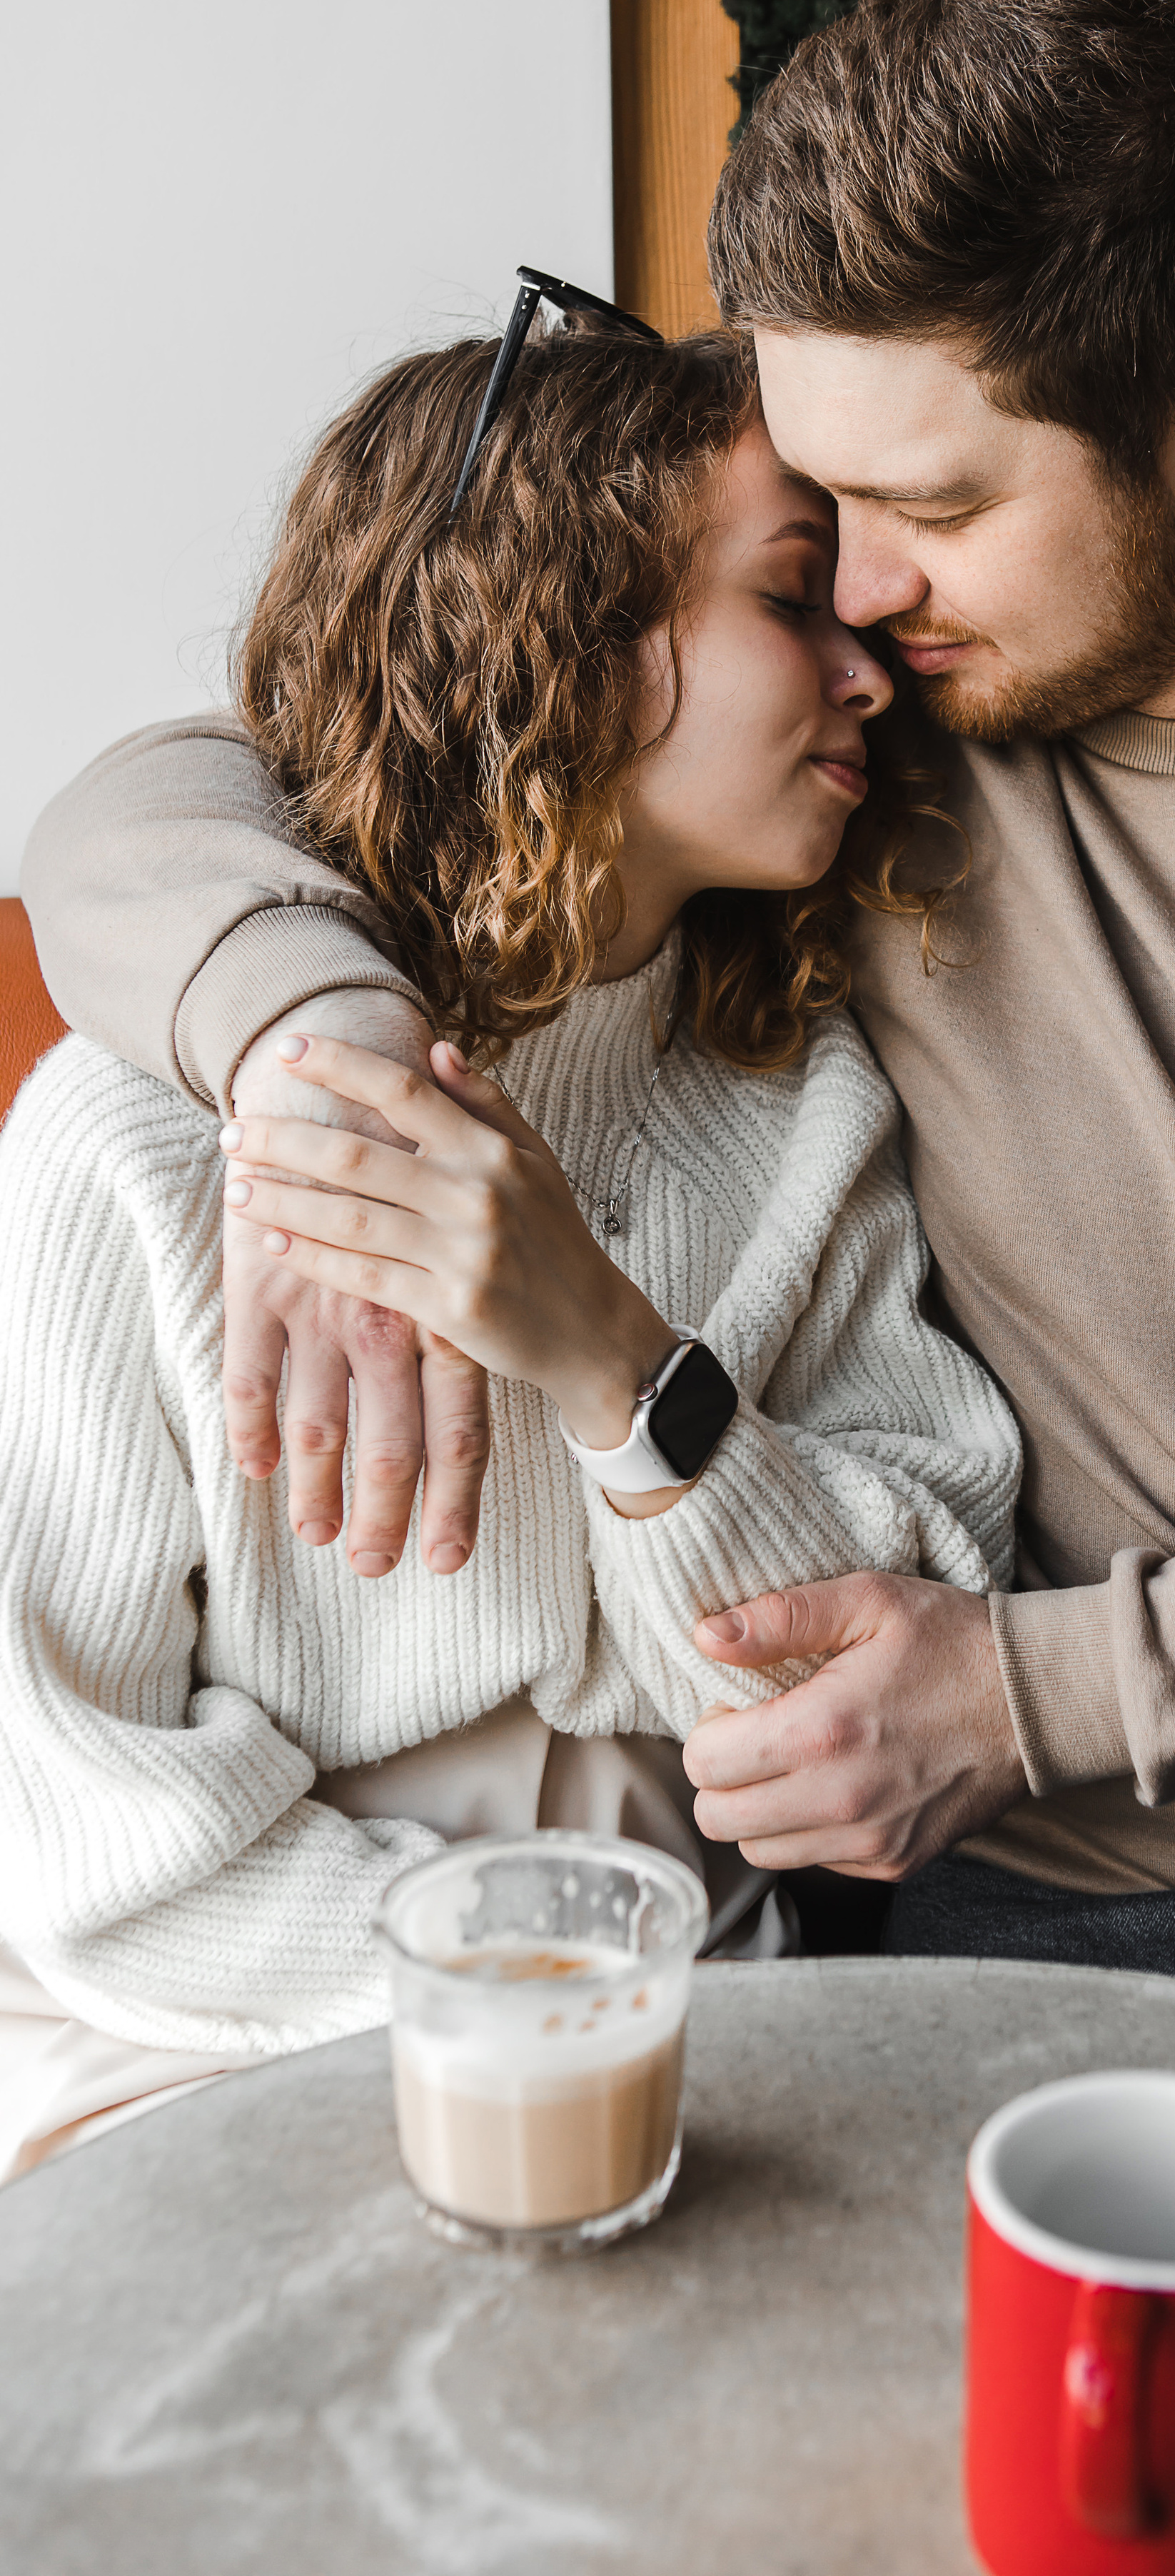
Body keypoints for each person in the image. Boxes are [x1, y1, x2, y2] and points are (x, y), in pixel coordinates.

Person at [25, 0, 1175, 2189]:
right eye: (825, 519)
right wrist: (310, 1045)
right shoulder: (877, 770)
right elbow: (190, 789)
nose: (863, 593)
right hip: (1079, 1909)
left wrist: (1038, 1686)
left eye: (936, 508)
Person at [0, 311, 1020, 2180]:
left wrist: (622, 1371)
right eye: (797, 597)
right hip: (211, 2021)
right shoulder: (129, 1146)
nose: (875, 669)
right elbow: (62, 1819)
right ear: (562, 634)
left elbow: (878, 1676)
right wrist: (518, 1993)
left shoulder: (804, 1102)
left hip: (710, 2009)